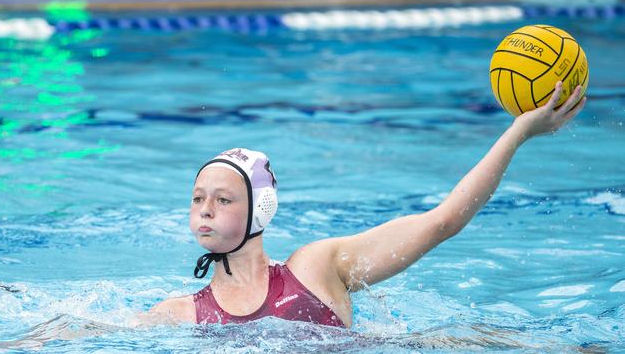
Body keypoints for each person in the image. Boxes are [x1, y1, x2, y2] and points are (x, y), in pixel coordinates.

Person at [138, 82, 587, 328]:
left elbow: (442, 223)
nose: (205, 209)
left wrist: (518, 132)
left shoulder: (316, 268)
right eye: (198, 199)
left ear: (261, 209)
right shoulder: (179, 314)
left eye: (223, 198)